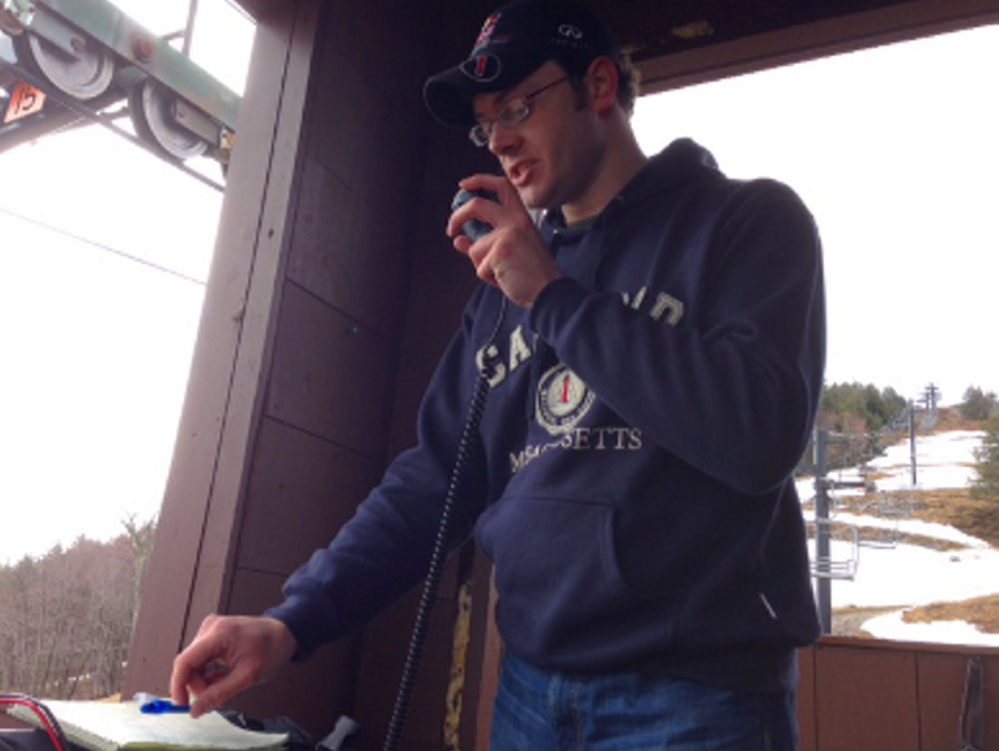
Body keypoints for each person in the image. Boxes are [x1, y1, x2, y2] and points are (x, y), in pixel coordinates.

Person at [170, 0, 826, 748]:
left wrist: (554, 297)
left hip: (693, 699)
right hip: (528, 693)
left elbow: (760, 434)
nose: (500, 138)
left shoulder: (747, 222)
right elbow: (436, 478)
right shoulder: (504, 290)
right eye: (486, 123)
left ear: (600, 84)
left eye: (517, 105)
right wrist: (292, 621)